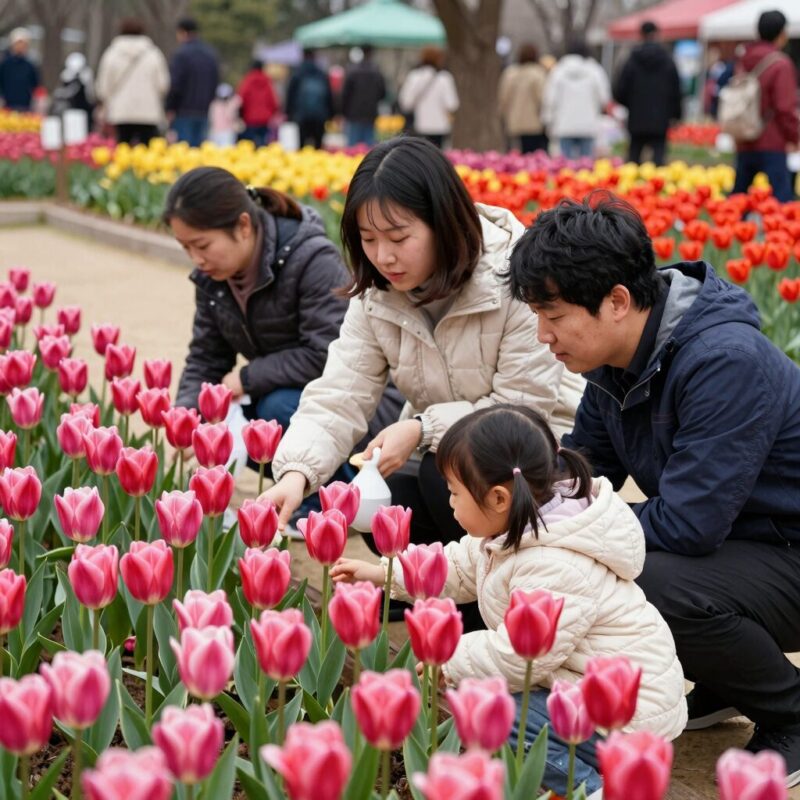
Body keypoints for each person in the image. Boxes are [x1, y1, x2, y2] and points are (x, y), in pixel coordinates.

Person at [507, 191, 800, 787]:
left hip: (785, 548)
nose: (542, 335)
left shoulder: (725, 362)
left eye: (554, 316)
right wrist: (527, 514)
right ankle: (724, 680)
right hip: (744, 547)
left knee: (648, 578)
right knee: (579, 552)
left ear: (617, 300)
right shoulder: (616, 359)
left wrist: (571, 529)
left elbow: (690, 525)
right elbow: (585, 469)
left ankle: (791, 712)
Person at [332, 404, 687, 797]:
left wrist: (450, 657)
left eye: (454, 492)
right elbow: (455, 567)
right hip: (580, 690)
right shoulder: (514, 530)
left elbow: (519, 654)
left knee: (495, 709)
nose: (449, 503)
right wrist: (384, 573)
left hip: (624, 719)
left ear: (499, 498)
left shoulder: (556, 562)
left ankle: (598, 788)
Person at [263, 137, 584, 560]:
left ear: (443, 222)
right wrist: (295, 475)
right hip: (445, 452)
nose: (383, 256)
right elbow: (340, 393)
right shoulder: (377, 296)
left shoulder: (516, 276)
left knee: (451, 475)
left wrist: (422, 429)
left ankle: (480, 604)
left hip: (541, 450)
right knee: (383, 506)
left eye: (398, 237)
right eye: (368, 239)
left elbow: (523, 406)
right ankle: (427, 591)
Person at [166, 167, 401, 478]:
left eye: (202, 245)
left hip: (359, 408)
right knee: (226, 422)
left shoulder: (312, 261)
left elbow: (328, 353)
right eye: (186, 248)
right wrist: (186, 416)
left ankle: (326, 504)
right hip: (292, 395)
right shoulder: (215, 279)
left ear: (244, 225)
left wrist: (247, 379)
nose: (196, 258)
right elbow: (206, 356)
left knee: (273, 412)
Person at [730, 10, 798, 203]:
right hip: (772, 139)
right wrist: (793, 136)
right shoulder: (780, 64)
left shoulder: (743, 60)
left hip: (744, 135)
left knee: (738, 199)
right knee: (782, 199)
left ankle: (731, 230)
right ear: (781, 33)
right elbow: (785, 108)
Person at [613, 21, 682, 167]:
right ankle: (656, 188)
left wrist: (632, 105)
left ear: (641, 35)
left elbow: (619, 90)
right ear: (657, 34)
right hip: (660, 119)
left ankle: (630, 188)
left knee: (633, 161)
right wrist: (675, 115)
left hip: (636, 118)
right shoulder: (667, 60)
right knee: (658, 162)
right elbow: (676, 90)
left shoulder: (631, 60)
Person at [95, 18, 169, 146]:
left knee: (123, 149)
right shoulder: (153, 54)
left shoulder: (112, 53)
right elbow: (163, 84)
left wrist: (106, 101)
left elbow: (103, 86)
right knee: (149, 152)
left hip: (120, 111)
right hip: (148, 112)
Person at [542, 39, 610, 160]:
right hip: (588, 125)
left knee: (566, 167)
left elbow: (550, 99)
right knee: (586, 166)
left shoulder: (558, 71)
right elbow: (604, 98)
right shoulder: (595, 71)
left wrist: (548, 120)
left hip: (564, 125)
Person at [166, 18, 219, 147]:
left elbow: (175, 84)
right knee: (199, 152)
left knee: (184, 151)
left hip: (183, 111)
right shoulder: (210, 54)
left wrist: (170, 107)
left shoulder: (181, 55)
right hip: (203, 110)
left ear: (183, 32)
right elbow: (215, 82)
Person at [398, 47, 459, 148]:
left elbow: (405, 103)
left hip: (420, 125)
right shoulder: (445, 78)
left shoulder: (414, 77)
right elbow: (452, 105)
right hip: (440, 127)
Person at [498, 43, 548, 154]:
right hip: (534, 123)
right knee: (534, 155)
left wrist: (503, 115)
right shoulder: (538, 74)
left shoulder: (510, 74)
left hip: (514, 122)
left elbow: (503, 99)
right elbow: (542, 99)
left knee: (516, 155)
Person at [286, 49, 334, 150]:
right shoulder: (321, 74)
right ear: (314, 57)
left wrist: (289, 114)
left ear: (303, 56)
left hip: (301, 116)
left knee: (301, 147)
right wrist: (331, 114)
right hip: (319, 116)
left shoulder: (297, 74)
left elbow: (290, 96)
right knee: (318, 147)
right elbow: (329, 96)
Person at [341, 46, 386, 147]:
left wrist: (343, 112)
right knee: (369, 150)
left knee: (351, 149)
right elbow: (383, 94)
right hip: (370, 114)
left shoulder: (352, 72)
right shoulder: (377, 72)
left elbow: (345, 95)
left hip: (353, 114)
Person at [237, 60, 278, 147]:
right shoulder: (267, 81)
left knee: (249, 146)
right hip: (265, 119)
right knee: (263, 145)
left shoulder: (248, 80)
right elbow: (273, 101)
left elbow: (241, 99)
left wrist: (241, 114)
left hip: (249, 118)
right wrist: (271, 113)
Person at [0, 28, 40, 112]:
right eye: (18, 43)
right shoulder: (5, 64)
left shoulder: (30, 65)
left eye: (23, 44)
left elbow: (36, 85)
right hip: (7, 106)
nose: (20, 47)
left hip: (26, 107)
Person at [50, 52, 95, 118]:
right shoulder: (66, 79)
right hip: (69, 114)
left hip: (83, 114)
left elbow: (90, 97)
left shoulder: (86, 78)